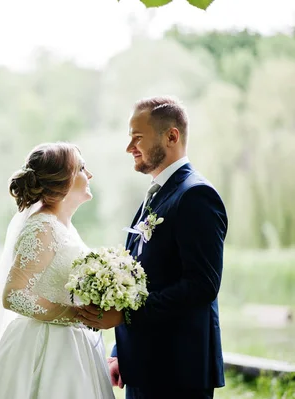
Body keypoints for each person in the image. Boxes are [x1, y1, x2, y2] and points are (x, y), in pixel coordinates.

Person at [77, 96, 228, 399]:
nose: (129, 147)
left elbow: (201, 286)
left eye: (138, 138)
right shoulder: (157, 194)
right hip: (145, 364)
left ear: (171, 136)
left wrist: (126, 316)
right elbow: (139, 278)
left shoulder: (196, 196)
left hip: (179, 369)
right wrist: (122, 350)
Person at [0, 142, 114, 399]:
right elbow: (14, 294)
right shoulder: (42, 227)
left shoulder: (64, 227)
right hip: (44, 348)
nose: (89, 175)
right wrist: (74, 314)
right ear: (63, 180)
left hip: (74, 348)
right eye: (82, 168)